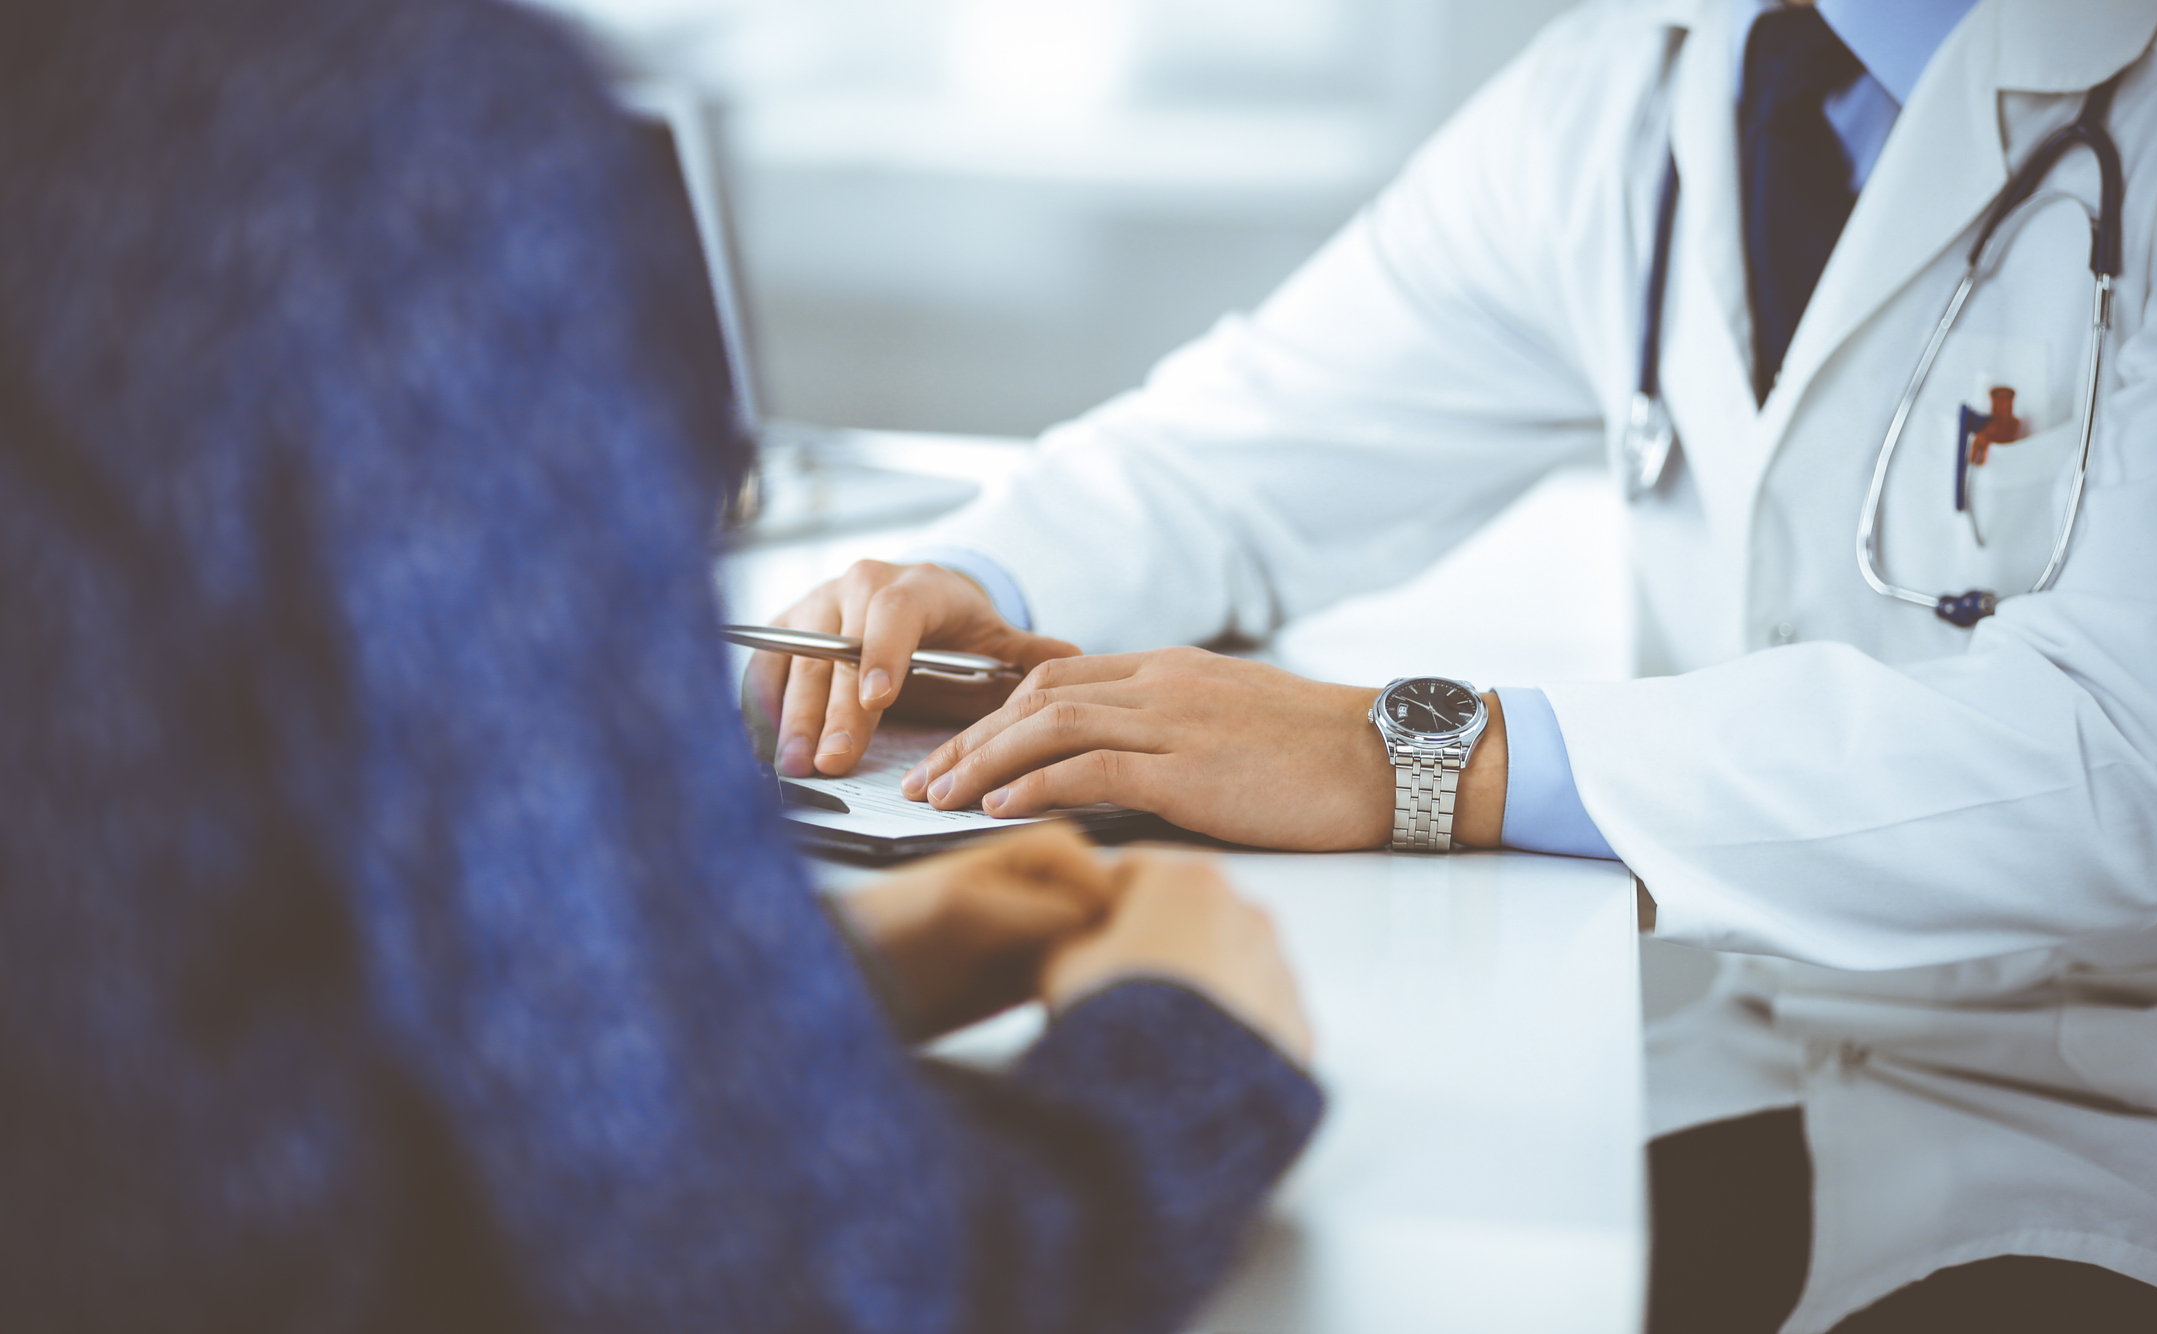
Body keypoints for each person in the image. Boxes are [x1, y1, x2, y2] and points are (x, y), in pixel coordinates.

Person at [756, 0, 2157, 1329]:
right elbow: (1253, 438)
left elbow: (2118, 750)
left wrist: (1412, 754)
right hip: (1764, 1035)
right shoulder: (1636, 78)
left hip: (2127, 1100)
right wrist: (975, 578)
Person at [0, 0, 1325, 1329]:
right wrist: (1183, 1059)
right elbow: (796, 1286)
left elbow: (125, 1027)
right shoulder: (384, 141)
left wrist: (746, 980)